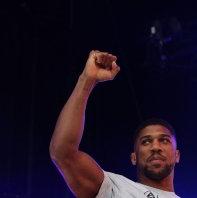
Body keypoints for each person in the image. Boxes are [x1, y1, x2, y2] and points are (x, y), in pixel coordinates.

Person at [49, 50, 181, 198]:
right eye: (146, 142)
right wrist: (86, 80)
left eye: (164, 140)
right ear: (134, 157)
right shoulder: (114, 188)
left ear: (177, 155)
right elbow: (63, 153)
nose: (156, 147)